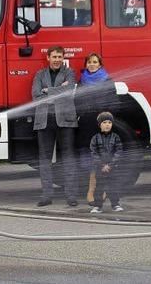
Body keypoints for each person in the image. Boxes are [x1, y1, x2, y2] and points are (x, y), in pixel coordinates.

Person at [32, 46, 79, 207]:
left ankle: (71, 196)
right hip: (44, 121)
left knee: (68, 158)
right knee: (44, 160)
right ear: (48, 58)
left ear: (63, 58)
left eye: (60, 56)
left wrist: (48, 91)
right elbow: (36, 95)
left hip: (65, 120)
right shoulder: (39, 74)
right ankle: (46, 195)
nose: (57, 59)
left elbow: (69, 89)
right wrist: (56, 91)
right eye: (54, 56)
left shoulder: (69, 73)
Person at [77, 53, 111, 206]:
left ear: (100, 65)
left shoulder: (107, 80)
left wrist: (105, 120)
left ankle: (99, 191)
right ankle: (91, 190)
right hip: (86, 124)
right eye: (89, 62)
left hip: (100, 125)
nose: (92, 64)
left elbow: (112, 101)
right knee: (88, 161)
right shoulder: (82, 81)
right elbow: (77, 100)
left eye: (95, 62)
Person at [89, 112, 125, 213]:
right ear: (99, 124)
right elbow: (93, 153)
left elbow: (119, 151)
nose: (107, 124)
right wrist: (102, 165)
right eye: (104, 122)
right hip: (100, 168)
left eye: (109, 122)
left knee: (113, 186)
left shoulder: (116, 137)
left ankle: (115, 204)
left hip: (112, 167)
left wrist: (110, 165)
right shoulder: (95, 138)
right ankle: (97, 206)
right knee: (99, 187)